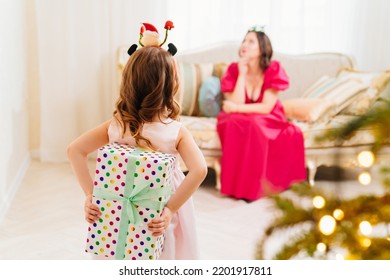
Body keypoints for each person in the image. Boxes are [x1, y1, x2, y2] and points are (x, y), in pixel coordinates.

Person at [67, 46, 207, 259]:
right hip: (159, 211)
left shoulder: (116, 126)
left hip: (118, 213)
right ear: (172, 85)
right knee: (162, 252)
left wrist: (91, 196)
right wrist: (170, 209)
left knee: (119, 252)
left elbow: (74, 150)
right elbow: (199, 170)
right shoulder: (176, 131)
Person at [216, 26, 306, 201]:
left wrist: (235, 109)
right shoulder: (234, 69)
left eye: (251, 41)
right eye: (244, 40)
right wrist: (242, 74)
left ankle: (256, 188)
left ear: (262, 48)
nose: (245, 45)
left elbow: (265, 107)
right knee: (233, 122)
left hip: (268, 117)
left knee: (255, 124)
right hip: (241, 116)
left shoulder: (273, 69)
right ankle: (236, 187)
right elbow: (237, 101)